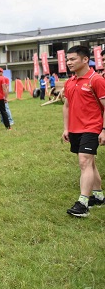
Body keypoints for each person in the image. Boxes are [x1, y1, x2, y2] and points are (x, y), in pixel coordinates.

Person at [62, 45, 105, 217]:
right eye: (67, 59)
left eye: (73, 59)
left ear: (85, 59)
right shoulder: (69, 82)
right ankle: (99, 197)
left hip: (92, 127)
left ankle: (83, 203)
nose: (68, 62)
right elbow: (66, 106)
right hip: (75, 129)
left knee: (84, 162)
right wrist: (66, 128)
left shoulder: (97, 80)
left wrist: (103, 129)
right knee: (90, 163)